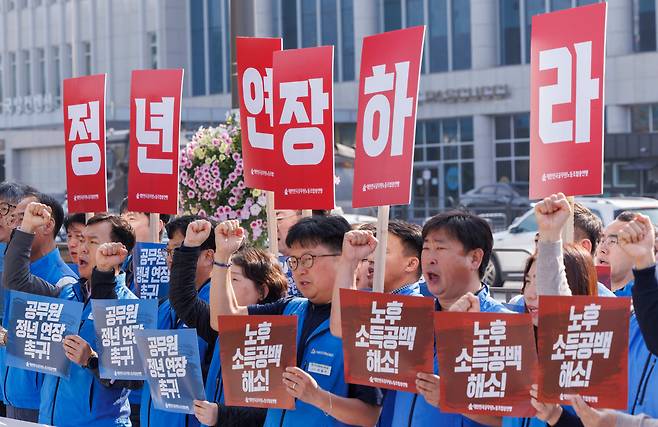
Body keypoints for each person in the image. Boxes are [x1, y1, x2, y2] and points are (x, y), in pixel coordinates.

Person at [210, 216, 383, 426]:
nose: (300, 269)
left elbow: (370, 415)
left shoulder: (364, 323)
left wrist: (317, 396)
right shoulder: (290, 308)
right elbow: (223, 322)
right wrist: (222, 256)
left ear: (343, 256)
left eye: (308, 258)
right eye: (294, 260)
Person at [3, 204, 140, 426]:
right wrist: (27, 227)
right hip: (49, 420)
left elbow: (133, 379)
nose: (81, 247)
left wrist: (91, 360)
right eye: (82, 239)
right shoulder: (66, 292)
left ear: (118, 252)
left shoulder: (128, 305)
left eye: (93, 242)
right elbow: (15, 281)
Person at [390, 211, 511, 427]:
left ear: (474, 258)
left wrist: (452, 399)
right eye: (426, 248)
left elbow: (515, 418)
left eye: (440, 248)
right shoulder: (412, 319)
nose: (429, 257)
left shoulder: (500, 325)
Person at [170, 218, 288, 426]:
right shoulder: (219, 326)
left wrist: (222, 415)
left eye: (232, 279)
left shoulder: (280, 333)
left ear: (262, 291)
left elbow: (273, 411)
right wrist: (189, 247)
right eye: (220, 277)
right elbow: (184, 300)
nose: (221, 288)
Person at [328, 220, 424, 427]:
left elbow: (340, 325)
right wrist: (349, 260)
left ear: (411, 264)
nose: (372, 258)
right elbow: (339, 325)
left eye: (384, 252)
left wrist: (349, 263)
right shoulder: (381, 301)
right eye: (373, 251)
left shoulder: (413, 309)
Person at [0, 192, 78, 422]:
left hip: (41, 405)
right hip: (12, 398)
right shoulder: (21, 273)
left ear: (47, 225)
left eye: (24, 218)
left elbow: (55, 352)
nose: (17, 226)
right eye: (14, 219)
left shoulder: (63, 281)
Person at [137, 215, 214, 427]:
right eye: (169, 251)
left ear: (209, 256)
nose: (171, 259)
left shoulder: (218, 310)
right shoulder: (164, 307)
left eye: (180, 250)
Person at [596, 211, 637, 296]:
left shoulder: (646, 297)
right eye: (602, 240)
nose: (603, 249)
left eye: (613, 241)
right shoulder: (584, 290)